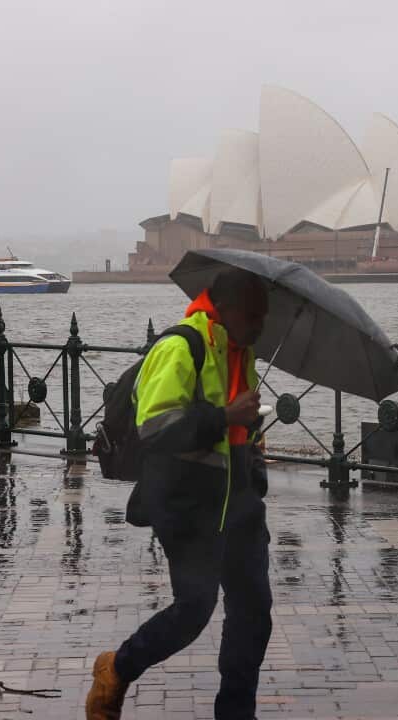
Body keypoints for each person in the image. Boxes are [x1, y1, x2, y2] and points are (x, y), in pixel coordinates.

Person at [87, 269, 272, 720]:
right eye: (253, 316)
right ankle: (118, 667)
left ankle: (235, 713)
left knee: (253, 614)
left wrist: (252, 447)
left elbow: (235, 435)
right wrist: (227, 414)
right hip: (189, 506)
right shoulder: (179, 347)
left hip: (239, 505)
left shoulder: (240, 354)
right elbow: (156, 429)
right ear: (225, 310)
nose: (260, 328)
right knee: (195, 608)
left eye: (263, 318)